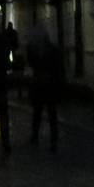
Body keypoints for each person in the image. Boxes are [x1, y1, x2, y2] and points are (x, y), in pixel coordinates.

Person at [25, 22, 64, 152]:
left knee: (38, 113)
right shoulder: (53, 50)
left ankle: (36, 136)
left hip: (41, 86)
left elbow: (31, 63)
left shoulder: (36, 51)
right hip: (49, 86)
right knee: (50, 114)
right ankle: (52, 140)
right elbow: (59, 69)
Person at [2, 20, 23, 97]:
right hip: (11, 49)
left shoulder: (7, 32)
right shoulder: (13, 32)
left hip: (8, 49)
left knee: (9, 61)